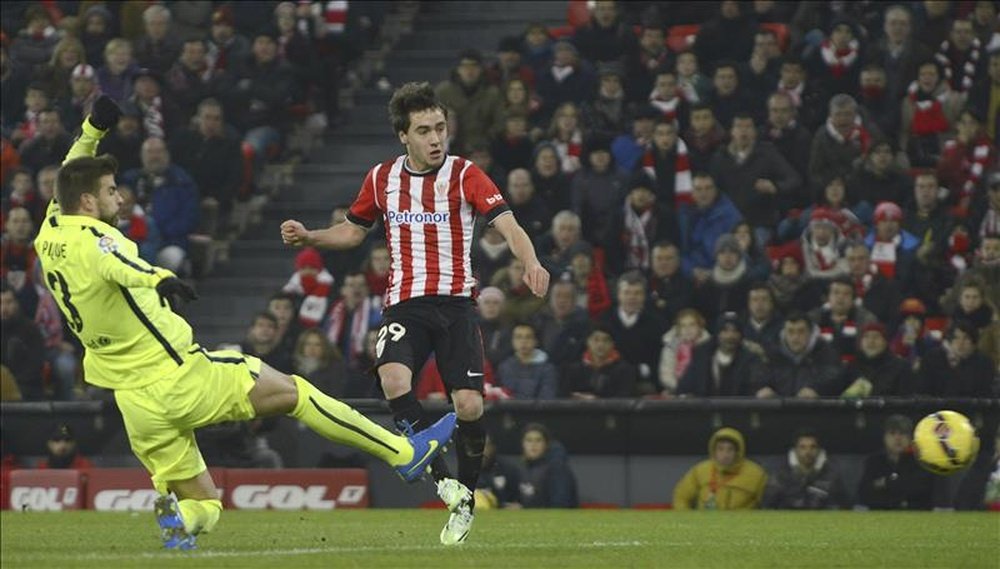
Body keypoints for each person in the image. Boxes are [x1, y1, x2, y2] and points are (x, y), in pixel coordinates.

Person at [34, 96, 456, 550]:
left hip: (133, 402)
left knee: (207, 504)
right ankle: (405, 453)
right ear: (88, 202)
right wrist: (161, 278)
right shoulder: (99, 239)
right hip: (178, 378)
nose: (120, 196)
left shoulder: (52, 228)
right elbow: (119, 264)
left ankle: (183, 519)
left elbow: (71, 169)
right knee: (299, 393)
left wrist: (93, 129)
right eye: (112, 191)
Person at [281, 82, 550, 545]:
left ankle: (465, 496)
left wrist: (531, 261)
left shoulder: (466, 174)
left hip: (456, 305)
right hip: (406, 302)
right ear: (403, 135)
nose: (435, 138)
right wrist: (311, 237)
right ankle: (442, 481)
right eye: (424, 130)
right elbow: (352, 232)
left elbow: (509, 225)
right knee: (393, 380)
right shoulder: (382, 178)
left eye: (440, 128)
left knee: (469, 405)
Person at [673, 427, 767, 510]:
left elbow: (769, 507)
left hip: (741, 527)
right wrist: (689, 523)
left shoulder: (756, 474)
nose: (725, 455)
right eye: (720, 449)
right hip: (705, 526)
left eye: (730, 449)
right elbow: (681, 498)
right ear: (714, 450)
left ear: (738, 452)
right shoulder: (700, 470)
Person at [752, 312, 842, 398]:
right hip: (778, 411)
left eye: (801, 331)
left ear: (810, 333)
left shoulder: (825, 353)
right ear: (784, 333)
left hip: (814, 410)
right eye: (790, 332)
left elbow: (833, 379)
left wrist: (818, 391)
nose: (795, 337)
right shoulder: (772, 353)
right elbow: (758, 377)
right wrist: (762, 388)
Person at [857, 415, 934, 510]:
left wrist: (885, 483)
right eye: (892, 433)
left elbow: (923, 492)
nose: (898, 438)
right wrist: (900, 485)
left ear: (910, 438)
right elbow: (864, 494)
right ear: (884, 437)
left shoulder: (920, 461)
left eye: (902, 433)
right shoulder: (874, 461)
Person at [677, 312, 762, 397]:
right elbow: (685, 386)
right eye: (725, 330)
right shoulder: (702, 356)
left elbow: (756, 387)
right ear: (717, 333)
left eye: (735, 331)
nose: (730, 336)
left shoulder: (750, 359)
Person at [763, 429, 847, 510]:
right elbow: (768, 506)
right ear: (795, 449)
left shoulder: (831, 474)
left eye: (813, 447)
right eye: (802, 447)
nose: (808, 451)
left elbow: (842, 506)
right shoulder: (781, 474)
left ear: (819, 450)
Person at [838, 323, 914, 398]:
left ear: (885, 342)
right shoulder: (852, 367)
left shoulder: (900, 367)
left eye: (876, 337)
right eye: (866, 337)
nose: (870, 341)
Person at [512, 423, 578, 508]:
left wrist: (524, 509)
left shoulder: (558, 469)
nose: (533, 445)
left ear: (546, 445)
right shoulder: (521, 470)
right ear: (523, 444)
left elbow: (560, 507)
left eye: (538, 440)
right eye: (529, 440)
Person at [560, 326, 637, 399]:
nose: (600, 345)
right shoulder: (574, 369)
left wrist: (596, 401)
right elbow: (562, 397)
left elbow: (624, 400)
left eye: (606, 340)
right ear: (587, 342)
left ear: (613, 344)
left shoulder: (625, 370)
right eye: (596, 340)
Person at [496, 323, 558, 400]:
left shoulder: (548, 369)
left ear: (535, 341)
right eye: (518, 337)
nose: (523, 341)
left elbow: (547, 398)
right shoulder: (504, 367)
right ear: (512, 341)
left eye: (528, 337)